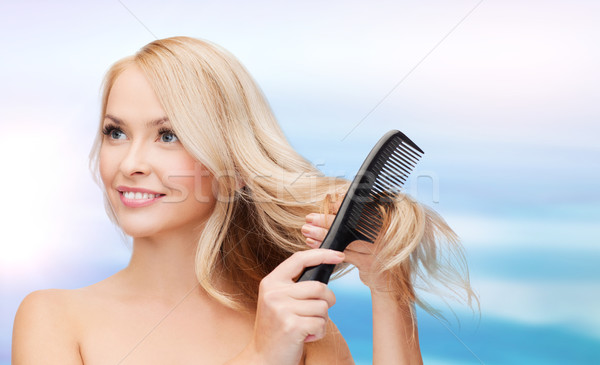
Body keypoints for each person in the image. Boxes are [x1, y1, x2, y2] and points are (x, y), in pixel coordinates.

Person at [12, 36, 476, 364]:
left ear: (233, 173)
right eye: (116, 132)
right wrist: (261, 356)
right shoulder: (53, 319)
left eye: (168, 135)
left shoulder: (295, 322)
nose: (130, 162)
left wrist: (388, 286)